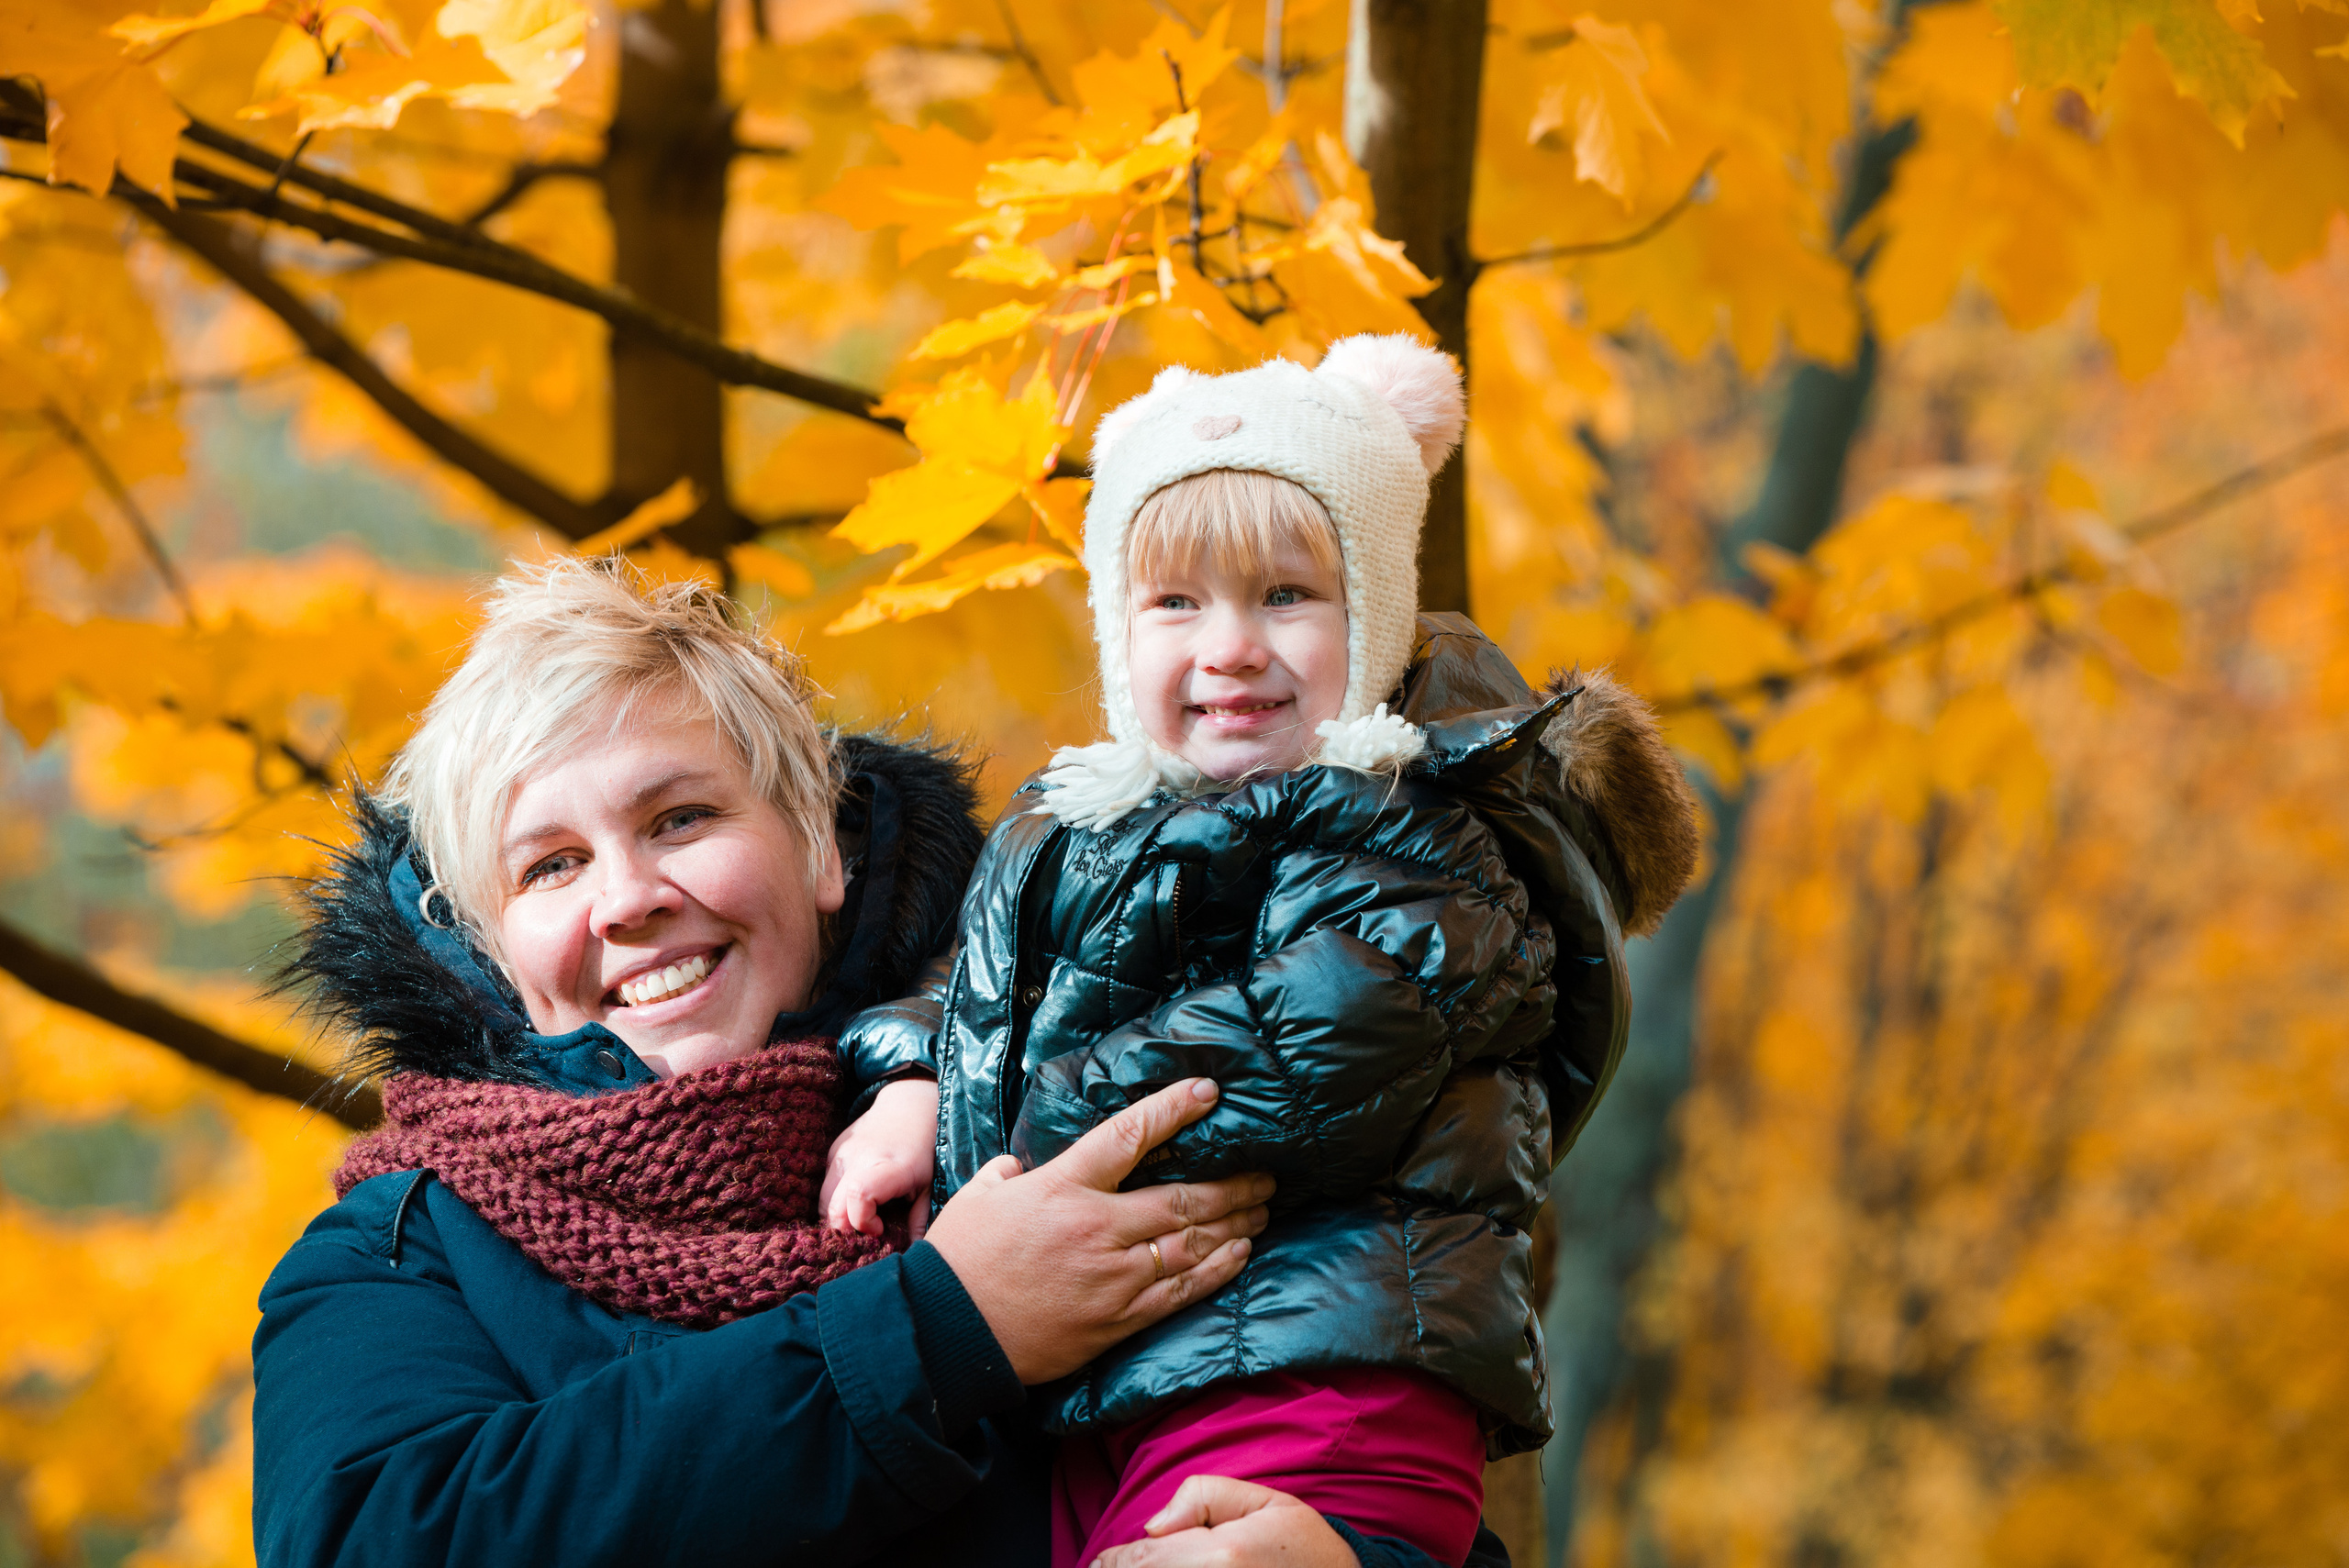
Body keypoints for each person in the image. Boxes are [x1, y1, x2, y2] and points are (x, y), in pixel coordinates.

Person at [250, 559, 1510, 1567]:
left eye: (680, 817)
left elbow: (1332, 1389)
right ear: (493, 945)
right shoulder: (402, 1252)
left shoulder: (1049, 1104)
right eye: (551, 865)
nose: (628, 897)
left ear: (819, 846)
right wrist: (944, 1326)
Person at [829, 337, 1704, 1565]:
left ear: (1376, 609)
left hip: (1323, 1379)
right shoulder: (1096, 817)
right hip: (1154, 1370)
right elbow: (991, 973)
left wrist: (1007, 1137)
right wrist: (912, 1074)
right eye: (1176, 603)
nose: (1231, 646)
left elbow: (1306, 1043)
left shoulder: (1416, 828)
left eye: (1286, 596)